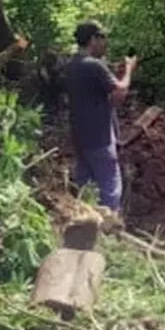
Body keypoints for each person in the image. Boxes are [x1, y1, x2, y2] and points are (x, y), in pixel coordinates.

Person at [62, 20, 137, 213]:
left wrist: (114, 74)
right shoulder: (94, 65)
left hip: (79, 136)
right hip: (99, 137)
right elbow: (120, 92)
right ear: (92, 39)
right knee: (110, 187)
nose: (105, 43)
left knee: (85, 187)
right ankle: (110, 226)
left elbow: (102, 95)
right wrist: (129, 69)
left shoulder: (72, 65)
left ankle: (85, 222)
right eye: (102, 37)